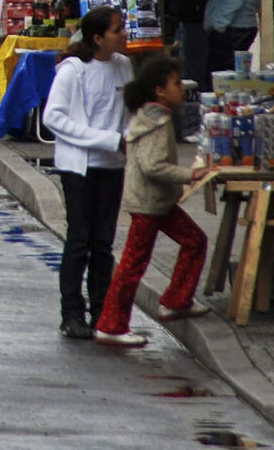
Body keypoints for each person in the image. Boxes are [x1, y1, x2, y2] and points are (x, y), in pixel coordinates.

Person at [92, 55, 214, 346]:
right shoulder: (157, 122)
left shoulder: (153, 116)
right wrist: (190, 174)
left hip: (158, 201)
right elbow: (153, 166)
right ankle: (111, 326)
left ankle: (176, 300)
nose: (181, 89)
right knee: (133, 264)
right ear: (160, 91)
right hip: (148, 204)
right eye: (175, 84)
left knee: (194, 241)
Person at [43, 6, 132, 341]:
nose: (124, 34)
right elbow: (54, 117)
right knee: (79, 240)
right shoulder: (74, 70)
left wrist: (129, 137)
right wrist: (106, 139)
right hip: (79, 168)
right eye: (117, 29)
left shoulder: (124, 66)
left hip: (111, 167)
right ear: (98, 38)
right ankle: (71, 313)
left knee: (103, 243)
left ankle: (102, 312)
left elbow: (130, 112)